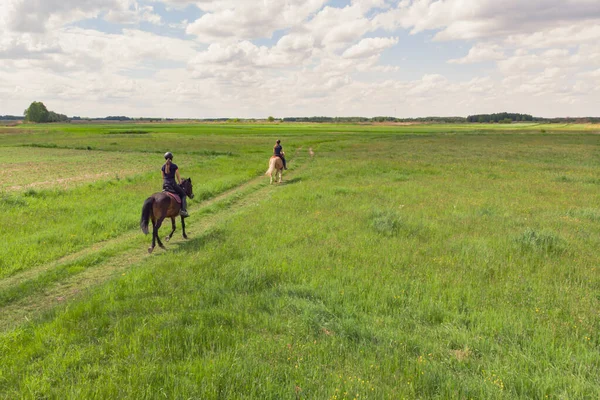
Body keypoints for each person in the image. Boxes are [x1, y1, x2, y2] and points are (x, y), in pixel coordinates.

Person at [162, 152, 189, 217]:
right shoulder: (174, 166)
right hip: (172, 184)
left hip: (165, 185)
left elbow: (163, 177)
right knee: (183, 195)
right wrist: (180, 183)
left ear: (165, 158)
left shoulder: (163, 167)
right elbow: (178, 176)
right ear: (172, 158)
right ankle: (183, 210)